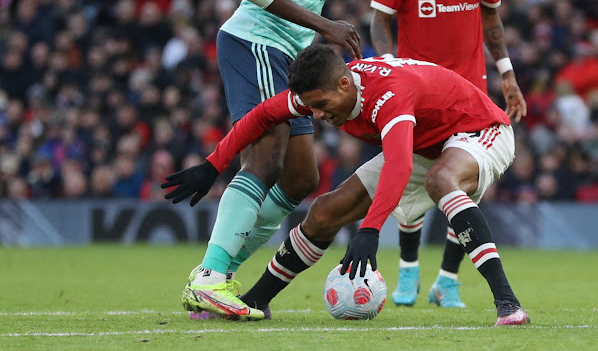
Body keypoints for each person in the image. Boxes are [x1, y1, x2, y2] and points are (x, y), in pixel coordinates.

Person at [162, 0, 456, 320]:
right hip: (256, 43)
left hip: (290, 56)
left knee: (301, 178)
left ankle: (220, 276)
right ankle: (211, 277)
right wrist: (326, 25)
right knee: (265, 158)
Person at [171, 44, 530, 326]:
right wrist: (211, 165)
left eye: (323, 106)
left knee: (440, 179)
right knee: (325, 211)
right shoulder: (324, 88)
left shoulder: (387, 96)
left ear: (344, 85)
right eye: (311, 107)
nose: (318, 116)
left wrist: (370, 231)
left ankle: (508, 304)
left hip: (480, 130)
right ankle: (255, 301)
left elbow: (401, 164)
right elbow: (264, 114)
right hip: (427, 142)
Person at [369, 0, 527, 308]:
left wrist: (508, 73)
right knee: (411, 176)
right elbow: (380, 18)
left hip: (470, 92)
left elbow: (491, 19)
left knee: (463, 187)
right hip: (417, 91)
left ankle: (447, 280)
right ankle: (407, 273)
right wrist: (388, 64)